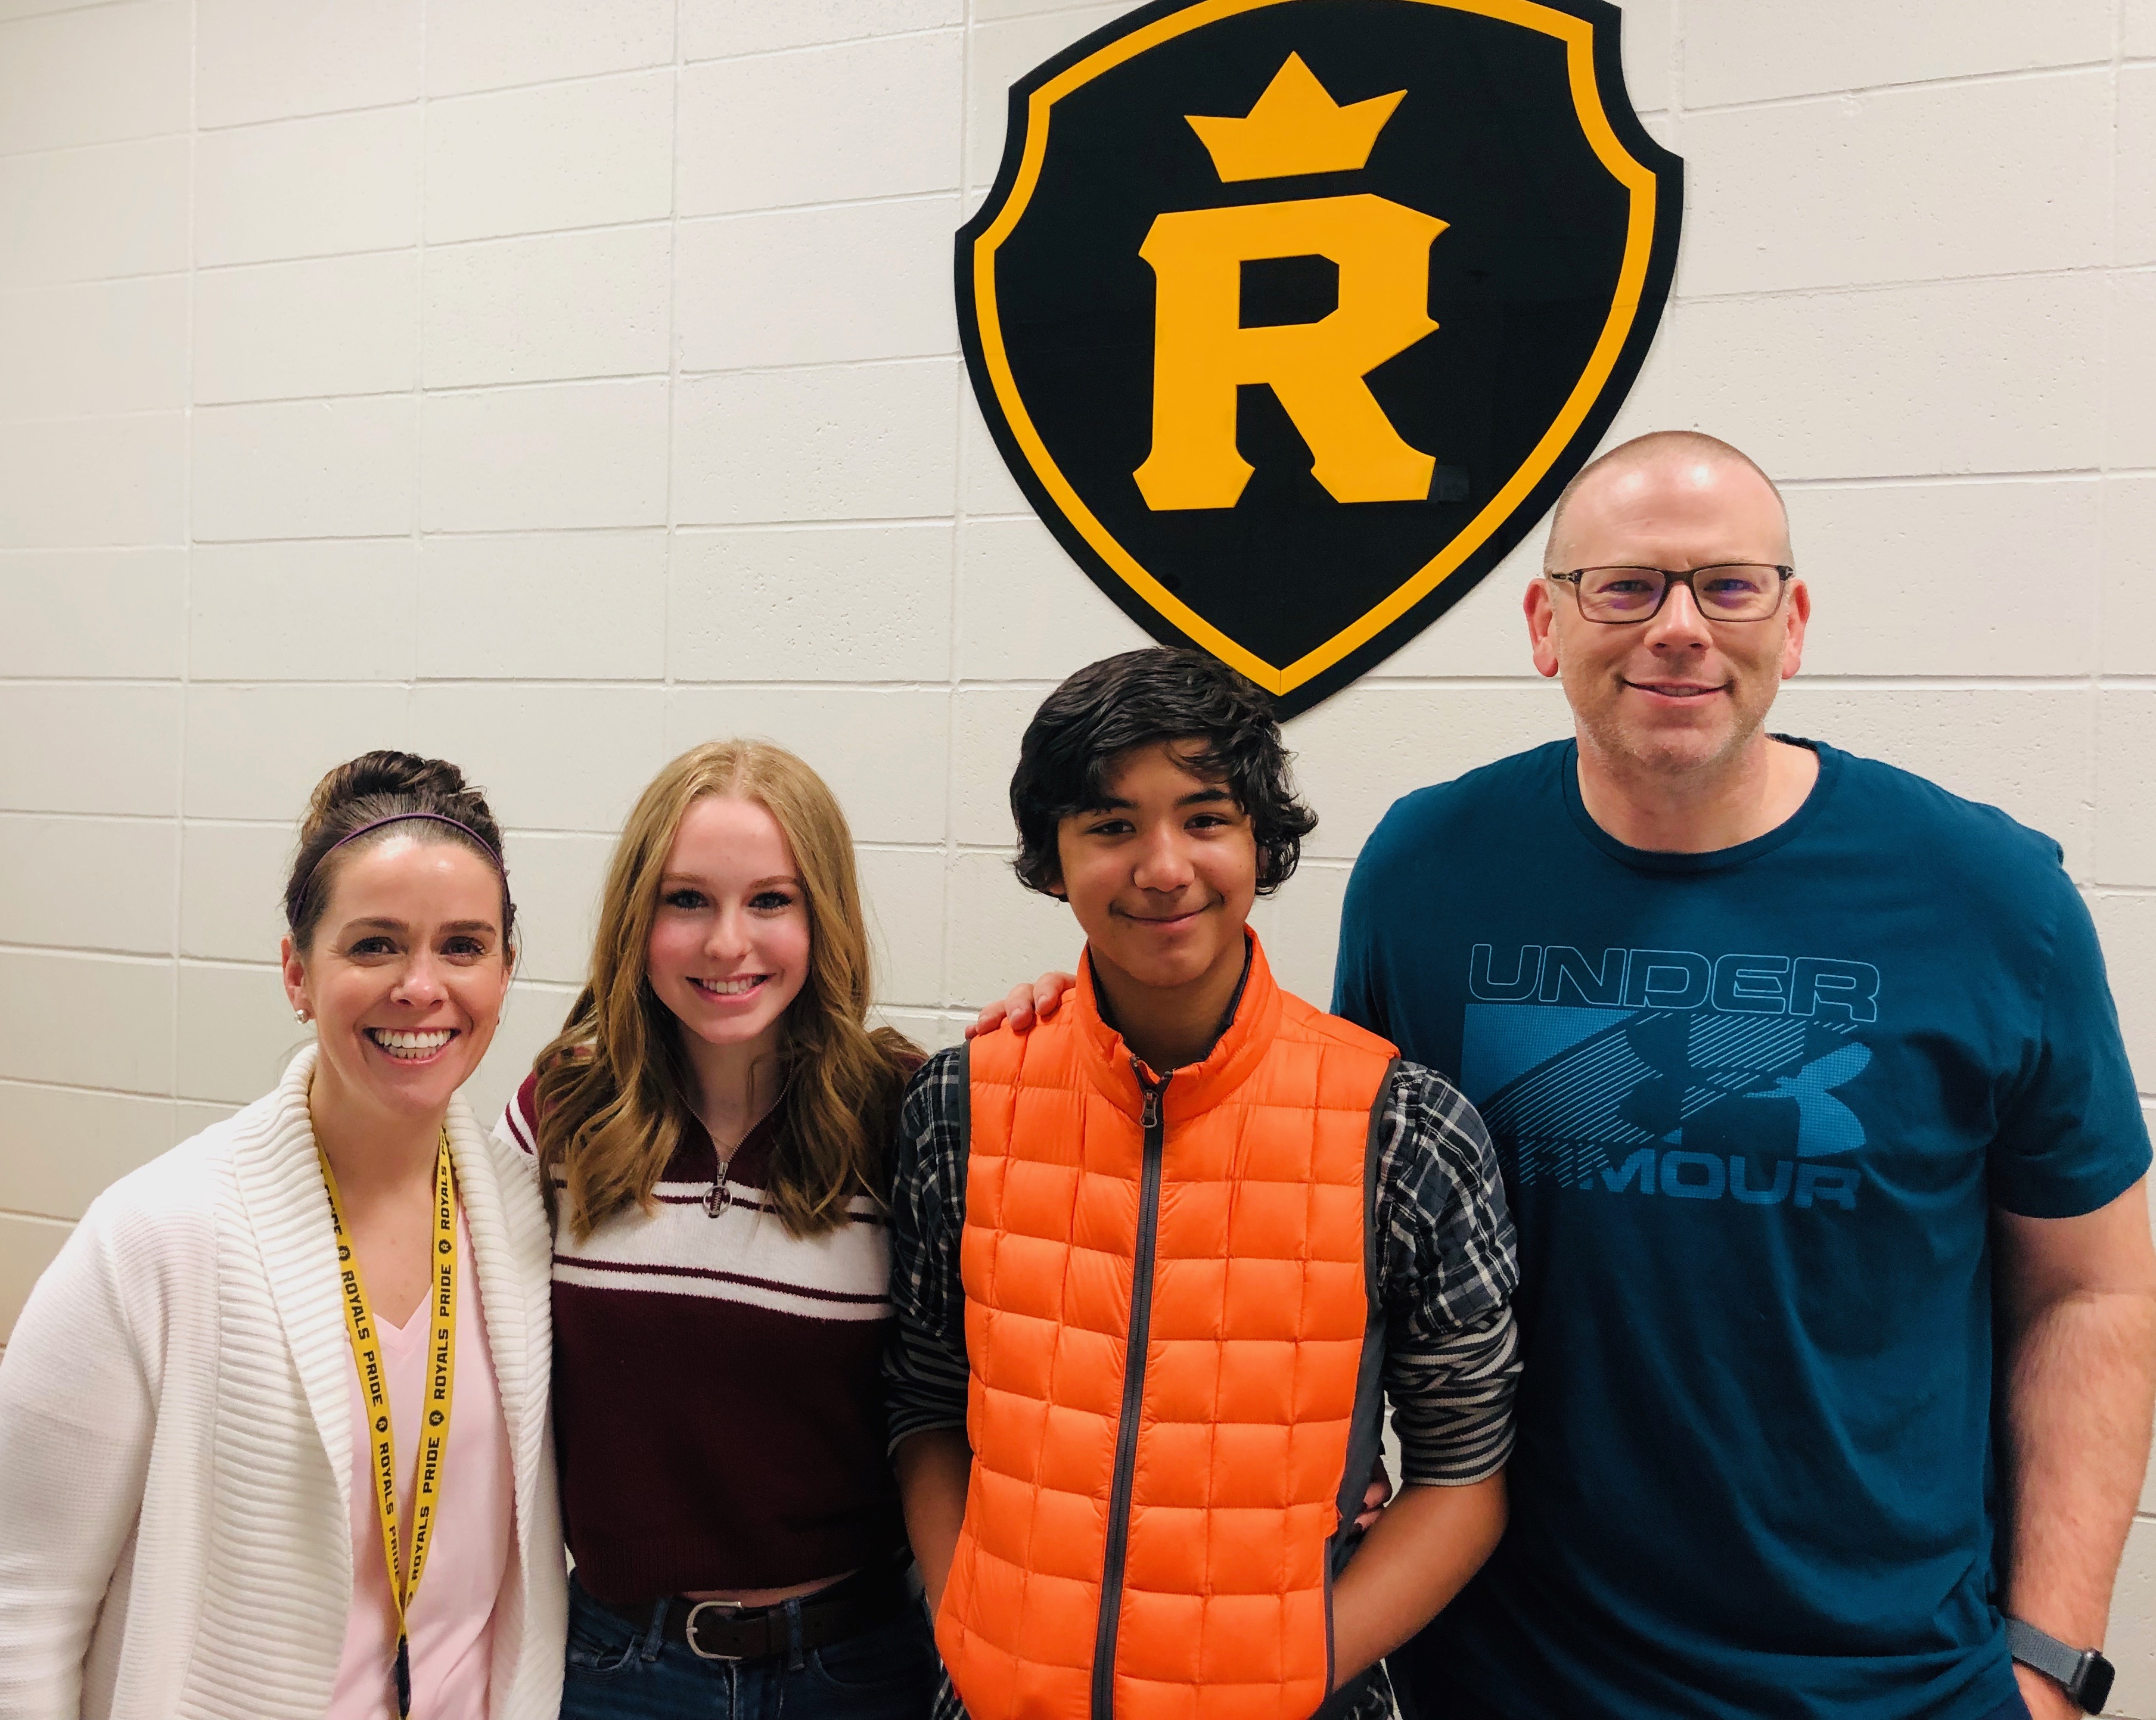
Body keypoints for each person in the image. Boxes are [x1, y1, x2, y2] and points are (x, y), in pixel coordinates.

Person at [978, 434, 2156, 1720]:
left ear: (1794, 621)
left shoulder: (1988, 899)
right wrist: (1085, 1022)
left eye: (1729, 585)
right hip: (1506, 1670)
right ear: (1546, 624)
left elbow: (2092, 1291)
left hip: (1888, 1679)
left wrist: (2052, 1662)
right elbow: (1332, 1198)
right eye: (1627, 586)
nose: (1680, 629)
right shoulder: (1433, 869)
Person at [887, 648, 1521, 1720]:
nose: (1164, 865)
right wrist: (973, 1630)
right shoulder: (959, 1104)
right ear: (1051, 860)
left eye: (1205, 817)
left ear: (1261, 841)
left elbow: (1465, 1479)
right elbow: (925, 1401)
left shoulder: (1406, 1128)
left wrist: (1292, 1668)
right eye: (1110, 826)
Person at [0, 751, 566, 1720]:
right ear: (296, 971)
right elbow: (20, 1645)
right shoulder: (156, 1240)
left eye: (462, 945)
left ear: (504, 968)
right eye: (372, 946)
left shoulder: (528, 1224)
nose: (420, 987)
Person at [490, 740, 940, 1720]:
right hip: (618, 1665)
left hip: (858, 1668)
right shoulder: (563, 1108)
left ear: (823, 918)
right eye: (686, 900)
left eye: (770, 901)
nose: (727, 943)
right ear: (635, 919)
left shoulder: (904, 1115)